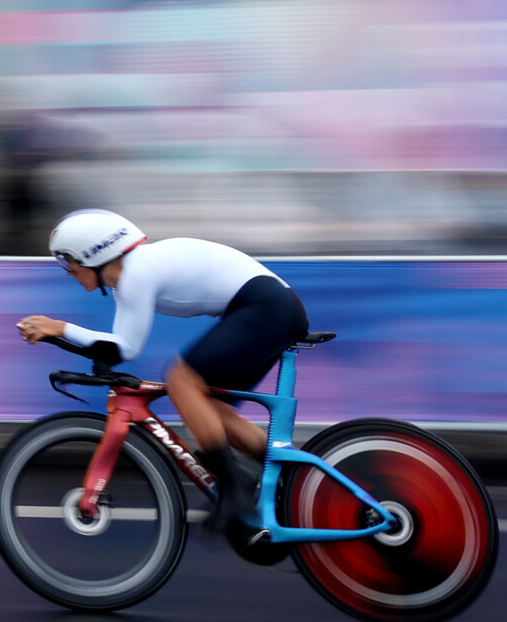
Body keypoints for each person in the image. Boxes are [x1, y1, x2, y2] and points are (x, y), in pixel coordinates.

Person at [16, 209, 309, 541]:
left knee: (182, 380)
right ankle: (299, 478)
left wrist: (58, 328)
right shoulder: (130, 278)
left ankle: (236, 485)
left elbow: (124, 349)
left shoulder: (137, 271)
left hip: (266, 306)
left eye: (68, 261)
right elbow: (116, 349)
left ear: (92, 253)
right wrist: (62, 337)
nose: (68, 271)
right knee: (212, 411)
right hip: (269, 306)